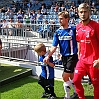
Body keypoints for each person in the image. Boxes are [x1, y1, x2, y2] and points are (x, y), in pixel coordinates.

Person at [44, 11, 78, 99]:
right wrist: (48, 56)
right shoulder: (58, 32)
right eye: (59, 19)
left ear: (67, 19)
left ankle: (67, 96)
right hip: (64, 57)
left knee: (64, 76)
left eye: (61, 18)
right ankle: (77, 92)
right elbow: (54, 46)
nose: (59, 20)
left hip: (72, 56)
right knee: (71, 76)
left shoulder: (73, 30)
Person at [73, 3, 99, 99]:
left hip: (94, 61)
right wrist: (79, 55)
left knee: (96, 84)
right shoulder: (78, 27)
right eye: (81, 12)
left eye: (85, 12)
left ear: (89, 13)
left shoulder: (96, 26)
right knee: (75, 80)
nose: (83, 14)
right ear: (78, 13)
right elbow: (79, 41)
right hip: (82, 60)